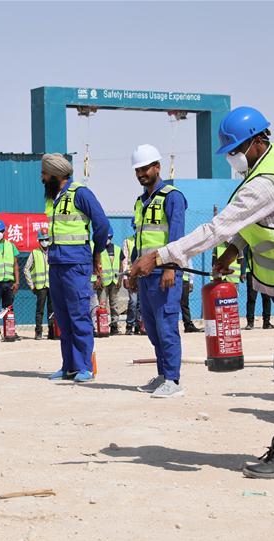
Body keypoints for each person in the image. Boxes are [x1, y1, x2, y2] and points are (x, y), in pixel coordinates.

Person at [130, 106, 274, 479]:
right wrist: (234, 250)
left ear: (257, 140)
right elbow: (265, 217)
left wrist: (160, 256)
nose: (232, 157)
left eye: (236, 149)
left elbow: (217, 227)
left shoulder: (263, 182)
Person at [42, 153, 109, 383]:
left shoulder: (80, 193)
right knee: (62, 317)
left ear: (56, 174)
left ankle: (85, 367)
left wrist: (96, 252)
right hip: (57, 264)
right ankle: (68, 366)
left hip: (76, 265)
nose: (42, 178)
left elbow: (102, 224)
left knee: (79, 314)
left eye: (44, 173)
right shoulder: (54, 198)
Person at [127, 144, 187, 398]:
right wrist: (132, 271)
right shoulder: (140, 202)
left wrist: (170, 267)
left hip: (165, 274)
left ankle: (173, 380)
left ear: (157, 167)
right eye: (137, 169)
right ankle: (163, 375)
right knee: (152, 328)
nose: (141, 173)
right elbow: (139, 240)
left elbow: (176, 236)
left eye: (145, 168)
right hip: (145, 276)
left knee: (166, 326)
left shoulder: (172, 197)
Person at [0, 219, 19, 342]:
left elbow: (15, 265)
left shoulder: (11, 246)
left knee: (8, 310)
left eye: (0, 231)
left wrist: (17, 282)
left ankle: (10, 333)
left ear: (4, 231)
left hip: (9, 283)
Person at [24, 228, 54, 340]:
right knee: (39, 311)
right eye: (42, 239)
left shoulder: (53, 252)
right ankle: (38, 332)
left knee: (52, 310)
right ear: (39, 240)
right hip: (40, 287)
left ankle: (52, 331)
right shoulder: (34, 253)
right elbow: (26, 269)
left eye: (46, 239)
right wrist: (31, 285)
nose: (45, 241)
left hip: (51, 286)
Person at [94, 225, 122, 335]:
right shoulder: (98, 250)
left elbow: (120, 265)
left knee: (114, 305)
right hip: (102, 283)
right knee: (102, 305)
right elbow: (96, 265)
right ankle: (102, 327)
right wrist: (97, 278)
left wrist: (119, 279)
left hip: (114, 282)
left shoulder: (117, 249)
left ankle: (114, 326)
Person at [242, 247, 272, 330]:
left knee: (266, 297)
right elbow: (244, 257)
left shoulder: (265, 243)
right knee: (251, 298)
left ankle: (266, 322)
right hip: (251, 273)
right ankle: (250, 323)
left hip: (265, 273)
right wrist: (243, 272)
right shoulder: (249, 243)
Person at [122, 235, 141, 335]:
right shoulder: (128, 241)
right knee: (133, 301)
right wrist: (125, 278)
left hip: (142, 274)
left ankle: (139, 325)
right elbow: (125, 260)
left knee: (140, 302)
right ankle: (130, 324)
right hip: (131, 274)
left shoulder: (145, 239)